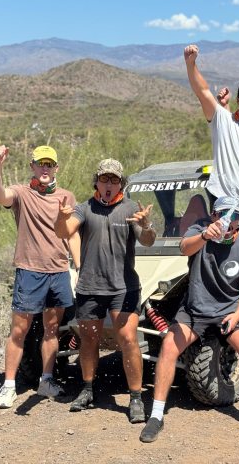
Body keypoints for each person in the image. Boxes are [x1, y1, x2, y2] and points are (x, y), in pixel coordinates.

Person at [139, 196, 239, 450]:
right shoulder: (200, 232)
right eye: (223, 215)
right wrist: (206, 235)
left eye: (235, 217)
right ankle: (156, 415)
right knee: (168, 349)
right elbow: (185, 248)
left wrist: (238, 315)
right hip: (195, 311)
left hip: (229, 310)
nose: (228, 222)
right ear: (214, 215)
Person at [54, 158, 156, 423]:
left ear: (121, 183)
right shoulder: (84, 208)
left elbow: (147, 241)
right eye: (104, 179)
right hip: (90, 286)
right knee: (89, 340)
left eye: (114, 180)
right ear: (96, 181)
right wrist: (60, 216)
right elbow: (63, 231)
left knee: (128, 339)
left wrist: (146, 225)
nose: (108, 184)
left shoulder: (131, 208)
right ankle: (87, 390)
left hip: (124, 288)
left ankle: (135, 398)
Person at [0, 144, 80, 409]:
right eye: (40, 163)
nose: (45, 168)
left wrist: (79, 264)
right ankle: (8, 385)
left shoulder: (66, 196)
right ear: (32, 166)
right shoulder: (22, 193)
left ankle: (47, 379)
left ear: (56, 168)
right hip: (29, 270)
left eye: (49, 164)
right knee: (20, 329)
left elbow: (71, 233)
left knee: (52, 329)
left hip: (58, 270)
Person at [184, 44, 239, 228]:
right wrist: (190, 64)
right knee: (221, 253)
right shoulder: (222, 120)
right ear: (238, 100)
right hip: (221, 203)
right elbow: (202, 91)